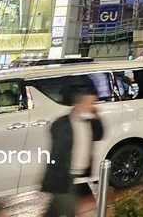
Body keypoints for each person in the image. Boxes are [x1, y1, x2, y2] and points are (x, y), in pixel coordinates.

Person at [40, 89, 104, 217]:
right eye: (90, 103)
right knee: (69, 211)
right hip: (65, 176)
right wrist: (48, 182)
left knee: (54, 210)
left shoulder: (90, 121)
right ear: (78, 104)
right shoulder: (61, 124)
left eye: (94, 103)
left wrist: (97, 118)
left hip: (80, 176)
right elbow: (56, 153)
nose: (93, 107)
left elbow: (100, 135)